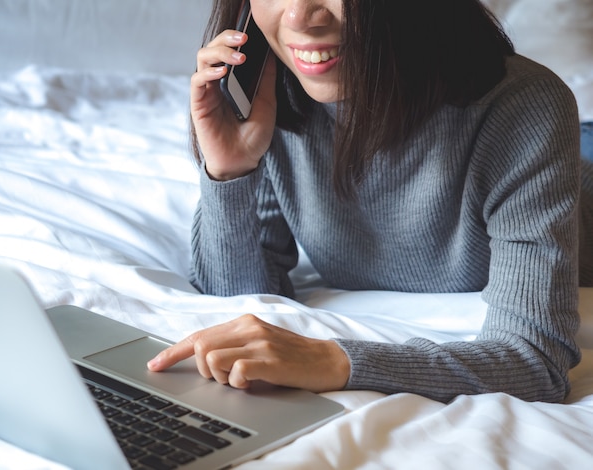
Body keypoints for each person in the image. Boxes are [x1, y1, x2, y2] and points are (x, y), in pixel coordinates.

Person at [148, 0, 593, 404]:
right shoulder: (275, 93)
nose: (300, 18)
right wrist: (230, 172)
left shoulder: (523, 106)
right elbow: (235, 303)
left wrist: (334, 362)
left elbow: (534, 360)